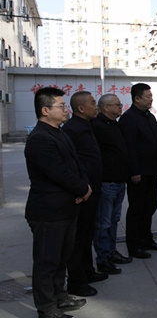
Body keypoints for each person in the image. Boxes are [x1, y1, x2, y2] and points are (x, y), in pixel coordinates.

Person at [25, 87, 91, 318]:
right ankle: (47, 308)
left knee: (61, 258)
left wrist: (85, 187)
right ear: (45, 110)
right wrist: (82, 189)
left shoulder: (59, 133)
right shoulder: (39, 139)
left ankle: (60, 297)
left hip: (66, 207)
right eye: (61, 106)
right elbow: (58, 172)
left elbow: (76, 164)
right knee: (47, 262)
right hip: (48, 212)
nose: (66, 110)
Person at [62, 91, 107, 297]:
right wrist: (81, 188)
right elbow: (71, 164)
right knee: (78, 238)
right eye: (92, 103)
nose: (95, 106)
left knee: (87, 234)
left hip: (93, 189)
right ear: (80, 108)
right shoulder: (72, 130)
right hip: (83, 192)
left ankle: (88, 271)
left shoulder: (88, 126)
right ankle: (77, 281)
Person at [119, 83, 157, 259]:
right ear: (137, 98)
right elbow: (129, 148)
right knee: (137, 209)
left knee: (150, 207)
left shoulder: (150, 117)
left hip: (153, 170)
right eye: (147, 96)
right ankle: (134, 245)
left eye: (151, 96)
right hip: (139, 172)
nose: (150, 99)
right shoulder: (128, 119)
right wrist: (134, 171)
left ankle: (147, 239)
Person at [91, 94, 133, 277]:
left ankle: (111, 251)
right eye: (117, 105)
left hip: (119, 180)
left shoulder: (116, 125)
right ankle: (103, 258)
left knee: (114, 220)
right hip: (106, 182)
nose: (120, 107)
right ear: (106, 107)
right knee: (104, 222)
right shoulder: (97, 126)